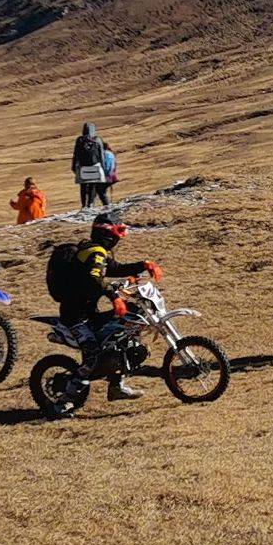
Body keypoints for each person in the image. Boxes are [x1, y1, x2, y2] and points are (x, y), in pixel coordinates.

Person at [58, 214, 160, 400]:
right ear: (107, 233)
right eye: (117, 232)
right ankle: (65, 400)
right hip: (75, 317)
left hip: (90, 313)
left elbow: (116, 268)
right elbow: (93, 278)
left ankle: (116, 386)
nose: (119, 238)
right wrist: (114, 297)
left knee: (123, 342)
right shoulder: (95, 253)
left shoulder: (98, 252)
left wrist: (144, 265)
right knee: (93, 357)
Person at [72, 123, 110, 209]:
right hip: (95, 166)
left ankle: (83, 204)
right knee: (93, 185)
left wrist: (74, 166)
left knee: (83, 186)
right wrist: (103, 167)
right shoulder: (97, 139)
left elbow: (75, 154)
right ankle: (90, 203)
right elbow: (101, 155)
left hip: (83, 166)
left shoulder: (80, 140)